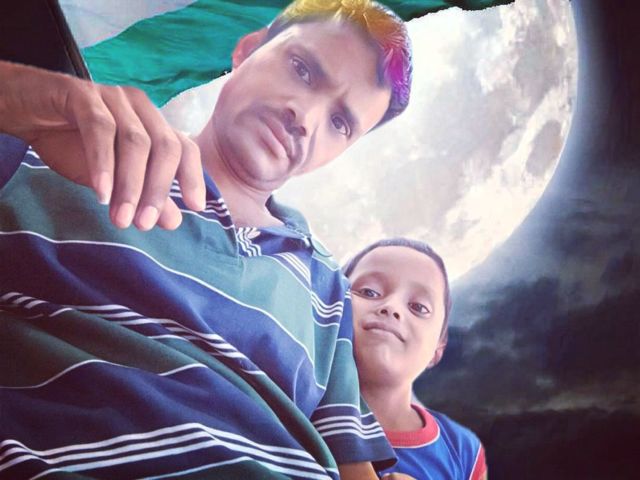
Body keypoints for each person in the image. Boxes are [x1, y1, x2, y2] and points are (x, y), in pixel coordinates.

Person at [0, 1, 412, 479]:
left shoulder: (328, 285)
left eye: (340, 122)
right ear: (247, 49)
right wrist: (23, 99)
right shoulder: (58, 144)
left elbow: (350, 464)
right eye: (302, 69)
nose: (306, 117)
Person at [344, 238, 488, 480]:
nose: (392, 307)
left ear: (438, 346)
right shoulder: (290, 411)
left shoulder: (463, 451)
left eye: (419, 307)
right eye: (369, 292)